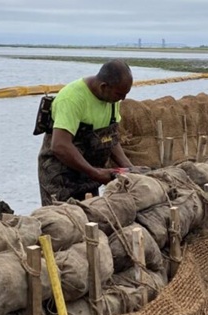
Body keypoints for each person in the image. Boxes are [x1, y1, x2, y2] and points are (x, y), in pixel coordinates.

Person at [36, 59, 137, 205]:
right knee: (63, 222)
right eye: (119, 94)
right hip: (61, 178)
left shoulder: (111, 101)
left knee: (92, 217)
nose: (123, 99)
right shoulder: (72, 99)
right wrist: (95, 173)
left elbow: (111, 139)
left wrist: (130, 170)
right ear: (104, 87)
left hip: (89, 176)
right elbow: (60, 145)